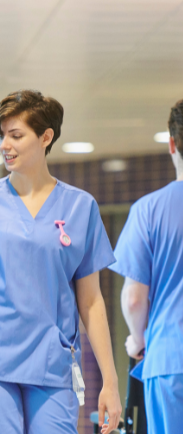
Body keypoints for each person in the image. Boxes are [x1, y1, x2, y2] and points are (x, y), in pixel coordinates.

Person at [0, 90, 122, 434]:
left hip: (52, 362)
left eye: (16, 135)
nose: (5, 144)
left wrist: (110, 381)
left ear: (46, 137)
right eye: (1, 135)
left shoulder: (81, 207)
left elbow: (91, 301)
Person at [110, 99, 183, 433]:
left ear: (171, 144)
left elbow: (135, 298)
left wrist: (137, 339)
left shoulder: (149, 210)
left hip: (170, 360)